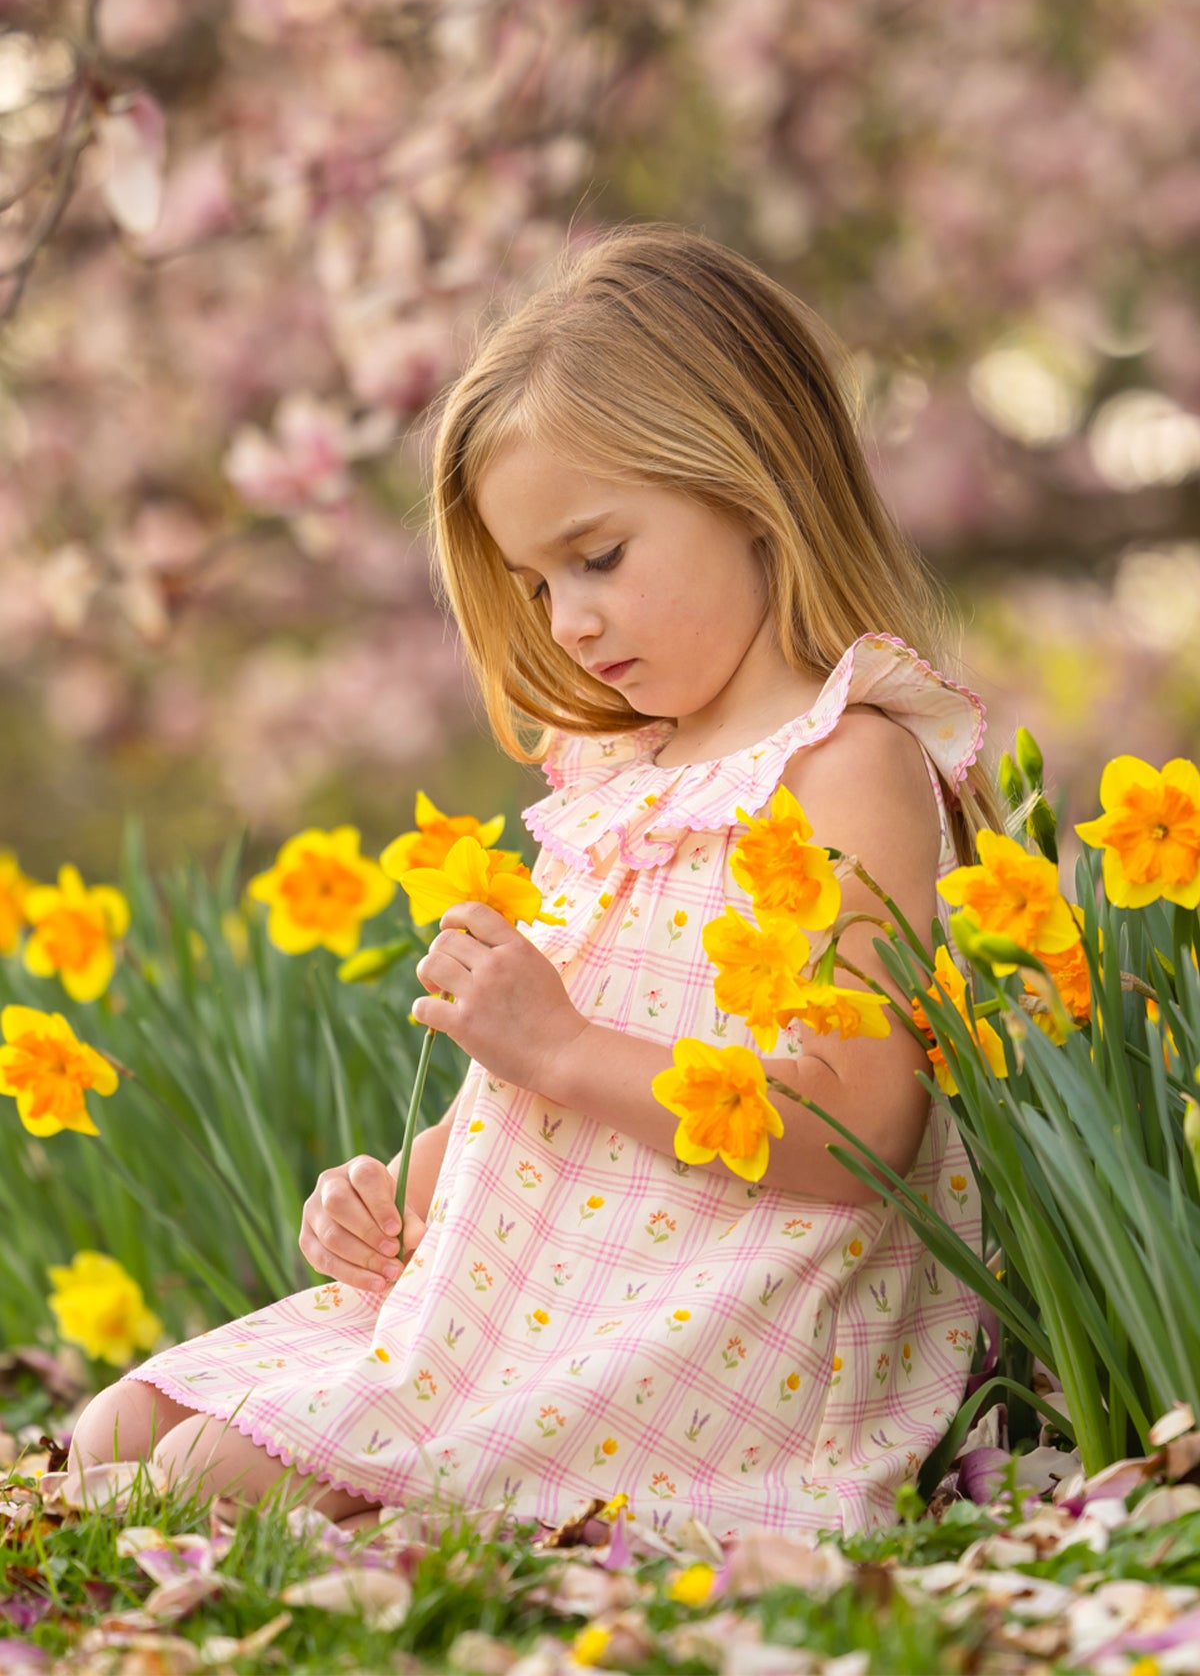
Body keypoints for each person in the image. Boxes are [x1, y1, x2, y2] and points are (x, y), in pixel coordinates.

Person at [70, 223, 994, 1538]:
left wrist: (559, 1046)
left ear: (751, 486)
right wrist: (410, 1183)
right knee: (118, 1430)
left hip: (724, 1311)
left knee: (191, 1489)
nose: (568, 623)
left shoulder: (845, 765)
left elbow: (863, 1134)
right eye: (537, 581)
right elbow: (538, 1099)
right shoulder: (610, 770)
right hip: (543, 1275)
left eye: (599, 557)